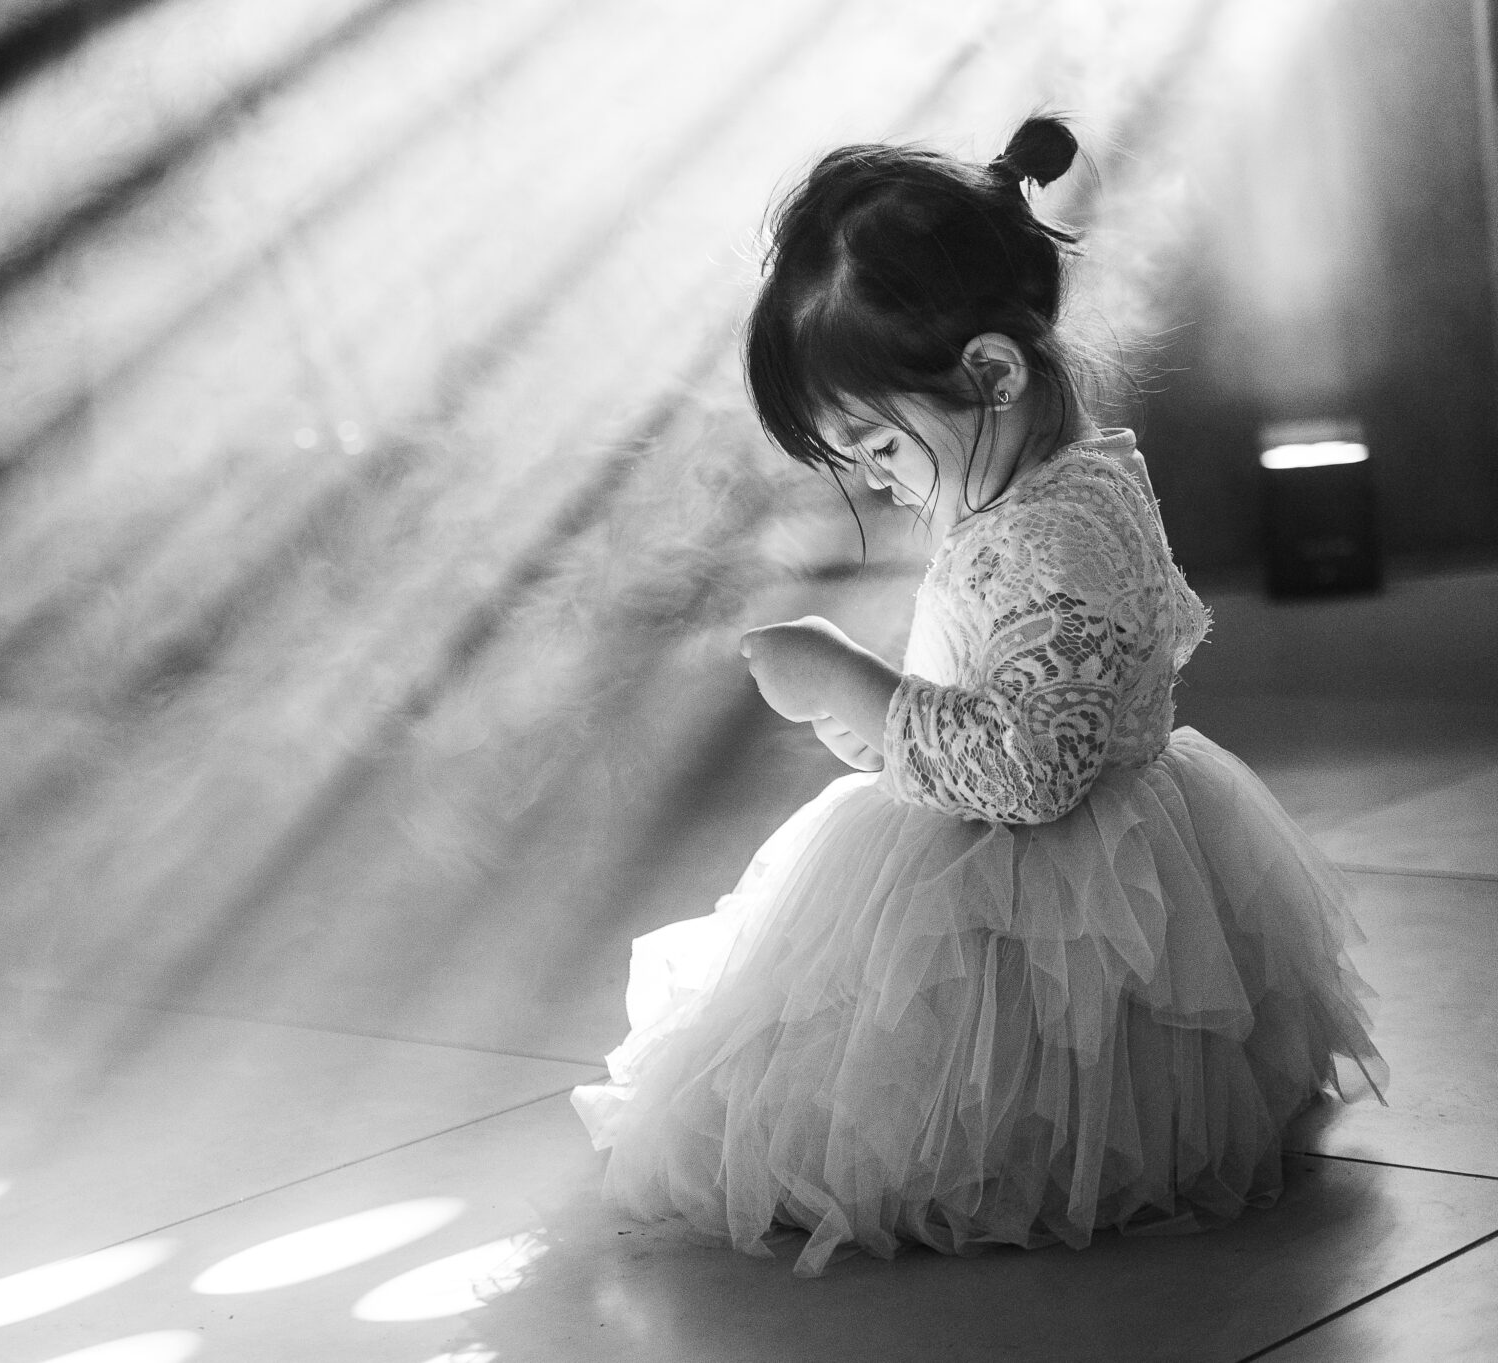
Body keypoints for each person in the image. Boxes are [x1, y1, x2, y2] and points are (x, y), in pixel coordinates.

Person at [570, 115, 1386, 1277]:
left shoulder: (1046, 537)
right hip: (1072, 847)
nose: (876, 484)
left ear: (990, 375)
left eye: (877, 447)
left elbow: (1030, 772)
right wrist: (882, 725)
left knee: (883, 1113)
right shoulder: (1063, 484)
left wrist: (848, 681)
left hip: (1049, 894)